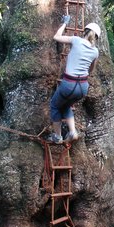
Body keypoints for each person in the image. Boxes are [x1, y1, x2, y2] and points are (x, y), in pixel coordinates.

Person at [48, 16, 100, 144]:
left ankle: (58, 136)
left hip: (68, 84)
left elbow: (57, 37)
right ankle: (72, 132)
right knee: (65, 106)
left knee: (55, 106)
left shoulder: (76, 40)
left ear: (85, 32)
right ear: (96, 37)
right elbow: (91, 70)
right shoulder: (95, 51)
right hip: (82, 87)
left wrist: (65, 23)